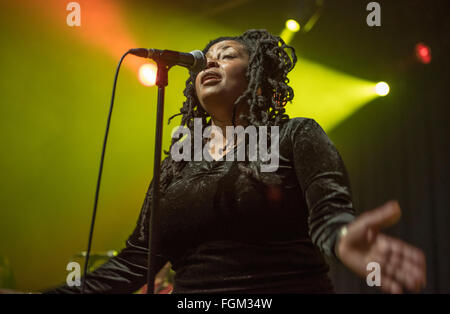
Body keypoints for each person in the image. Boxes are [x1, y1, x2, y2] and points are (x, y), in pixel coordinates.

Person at [43, 29, 426, 294]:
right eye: (205, 60)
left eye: (227, 56)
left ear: (258, 78)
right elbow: (134, 262)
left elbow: (329, 214)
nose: (210, 63)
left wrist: (344, 239)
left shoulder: (295, 135)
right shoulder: (178, 161)